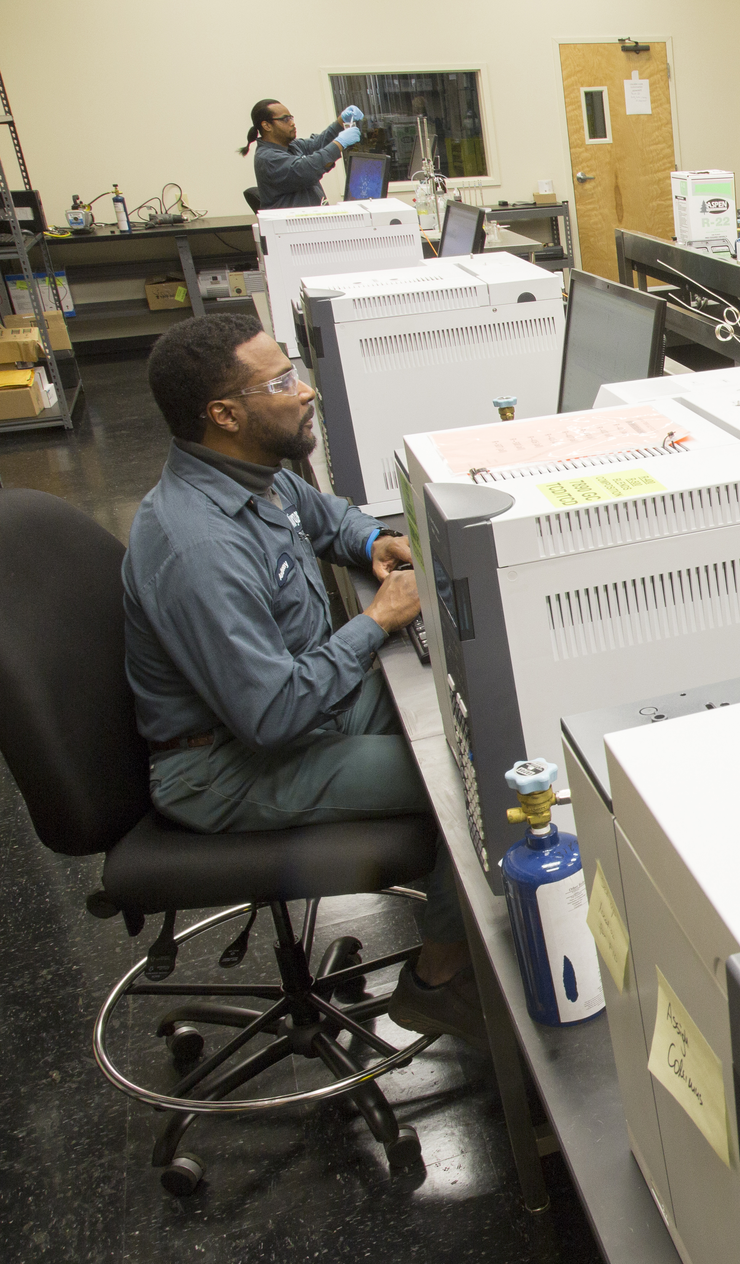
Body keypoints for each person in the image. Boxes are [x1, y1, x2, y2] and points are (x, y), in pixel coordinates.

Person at [125, 312, 482, 1044]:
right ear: (225, 414)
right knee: (477, 782)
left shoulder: (251, 478)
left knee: (477, 720)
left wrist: (374, 541)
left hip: (289, 715)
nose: (307, 390)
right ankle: (438, 983)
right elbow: (273, 715)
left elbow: (324, 518)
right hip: (223, 764)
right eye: (282, 381)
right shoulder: (199, 545)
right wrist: (376, 620)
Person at [239, 99, 364, 209]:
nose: (292, 123)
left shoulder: (292, 146)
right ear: (266, 125)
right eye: (285, 119)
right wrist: (340, 143)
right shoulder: (268, 158)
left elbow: (319, 143)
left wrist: (341, 122)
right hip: (293, 229)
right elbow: (306, 169)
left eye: (291, 118)